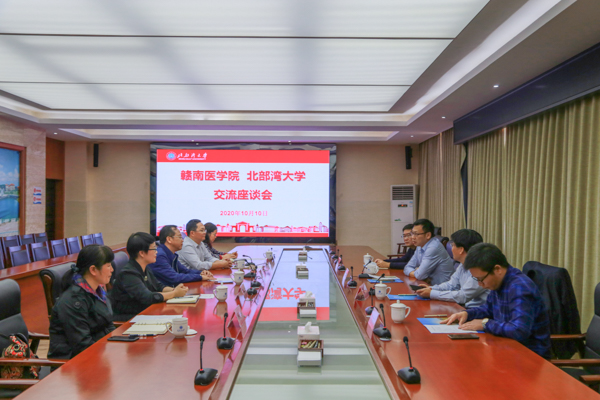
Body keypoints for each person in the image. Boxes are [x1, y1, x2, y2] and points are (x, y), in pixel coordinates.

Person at [442, 243, 551, 359]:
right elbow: (488, 308)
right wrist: (467, 313)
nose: (480, 284)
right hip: (506, 346)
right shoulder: (498, 282)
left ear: (497, 269)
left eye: (481, 279)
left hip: (530, 356)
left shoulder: (520, 287)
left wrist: (485, 324)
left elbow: (519, 330)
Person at [48, 245, 116, 359]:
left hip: (98, 353)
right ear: (93, 270)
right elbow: (82, 344)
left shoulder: (98, 291)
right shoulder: (73, 300)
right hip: (73, 363)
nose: (112, 269)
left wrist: (118, 345)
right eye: (108, 266)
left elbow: (108, 324)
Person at [110, 232, 188, 321]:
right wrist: (174, 294)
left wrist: (175, 290)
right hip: (129, 318)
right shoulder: (128, 274)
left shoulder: (145, 267)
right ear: (142, 253)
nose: (156, 252)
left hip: (145, 312)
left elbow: (158, 286)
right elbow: (147, 297)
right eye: (154, 248)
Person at [416, 229, 489, 307]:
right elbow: (451, 285)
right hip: (463, 307)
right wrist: (432, 289)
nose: (451, 249)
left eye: (453, 245)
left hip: (477, 311)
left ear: (461, 250)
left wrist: (432, 293)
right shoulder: (462, 264)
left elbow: (463, 296)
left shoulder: (479, 269)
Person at [148, 225, 215, 287]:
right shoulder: (159, 256)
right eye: (180, 237)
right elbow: (174, 277)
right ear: (169, 239)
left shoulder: (172, 254)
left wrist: (201, 273)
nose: (182, 240)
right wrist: (200, 277)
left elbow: (185, 271)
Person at [403, 218, 455, 285]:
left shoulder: (433, 248)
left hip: (442, 288)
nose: (412, 237)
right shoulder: (419, 246)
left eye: (416, 234)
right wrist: (417, 271)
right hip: (429, 285)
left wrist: (417, 271)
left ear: (428, 235)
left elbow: (420, 275)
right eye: (412, 233)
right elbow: (407, 267)